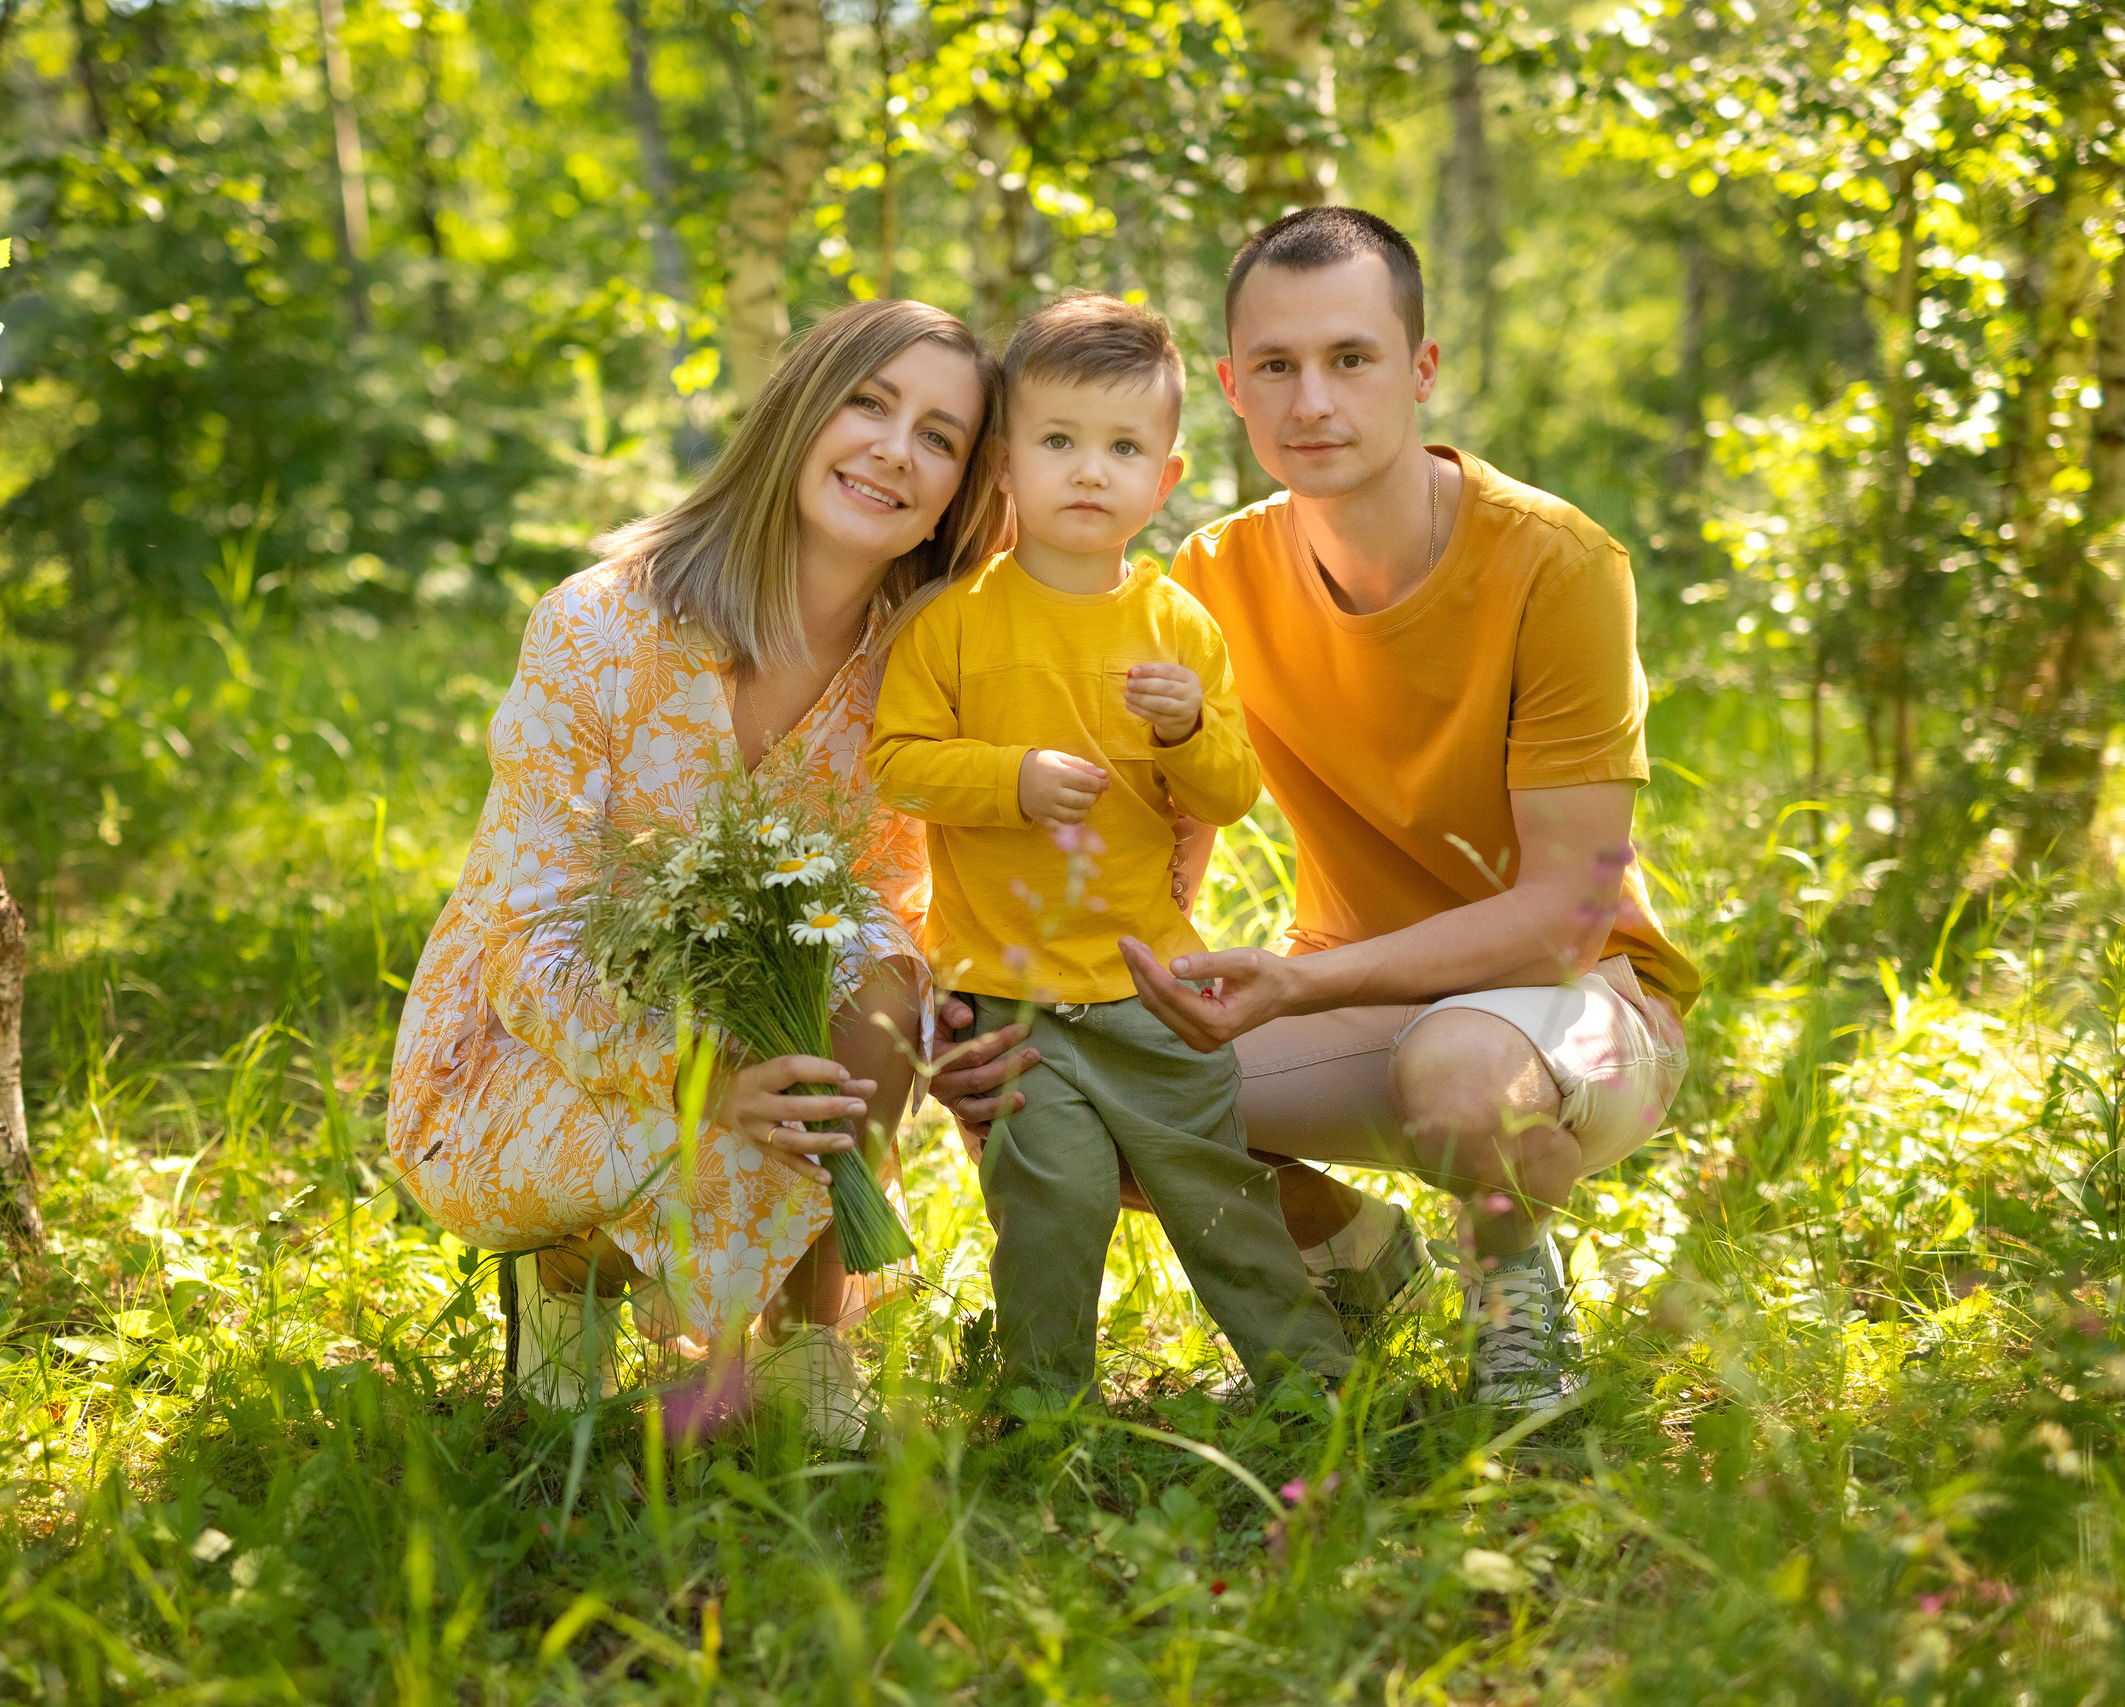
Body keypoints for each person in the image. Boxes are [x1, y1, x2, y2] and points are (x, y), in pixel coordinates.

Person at [934, 208, 1701, 1410]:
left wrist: (1299, 985)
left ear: (1420, 371)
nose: (1313, 404)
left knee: (1458, 1074)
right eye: (1278, 369)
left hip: (1591, 1010)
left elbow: (1564, 916)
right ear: (1233, 389)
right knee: (1061, 1076)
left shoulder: (1557, 565)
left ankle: (1513, 1298)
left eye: (1351, 359)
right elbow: (1164, 840)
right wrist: (1037, 1001)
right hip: (1354, 999)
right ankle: (1354, 1254)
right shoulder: (1211, 580)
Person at [387, 298, 1010, 1444]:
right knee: (718, 1125)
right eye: (867, 403)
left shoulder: (920, 667)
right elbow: (529, 943)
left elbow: (904, 903)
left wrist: (960, 1018)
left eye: (939, 435)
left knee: (883, 980)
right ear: (797, 414)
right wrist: (709, 1083)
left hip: (778, 1058)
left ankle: (804, 1339)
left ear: (960, 490)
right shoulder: (600, 627)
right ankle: (567, 1273)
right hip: (527, 1055)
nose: (893, 448)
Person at [870, 294, 1351, 1401]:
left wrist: (1188, 726)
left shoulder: (1176, 624)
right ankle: (1041, 1406)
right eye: (1058, 442)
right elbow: (897, 762)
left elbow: (1230, 792)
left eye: (1123, 448)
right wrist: (1011, 781)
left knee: (1217, 1194)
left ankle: (1312, 1383)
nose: (1090, 472)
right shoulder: (953, 621)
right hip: (1011, 996)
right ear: (1003, 465)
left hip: (1150, 989)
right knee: (1051, 1208)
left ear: (1165, 479)